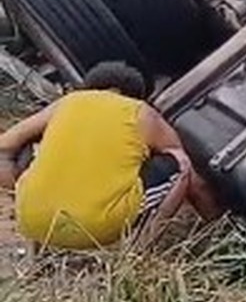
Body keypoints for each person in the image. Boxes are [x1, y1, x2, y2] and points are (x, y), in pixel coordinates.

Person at [0, 61, 219, 250]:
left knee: (28, 149)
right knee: (180, 165)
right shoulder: (141, 112)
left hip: (32, 222)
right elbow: (194, 181)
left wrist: (18, 194)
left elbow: (4, 148)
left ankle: (37, 247)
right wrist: (217, 222)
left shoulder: (67, 103)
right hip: (99, 229)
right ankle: (136, 256)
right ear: (136, 95)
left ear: (89, 88)